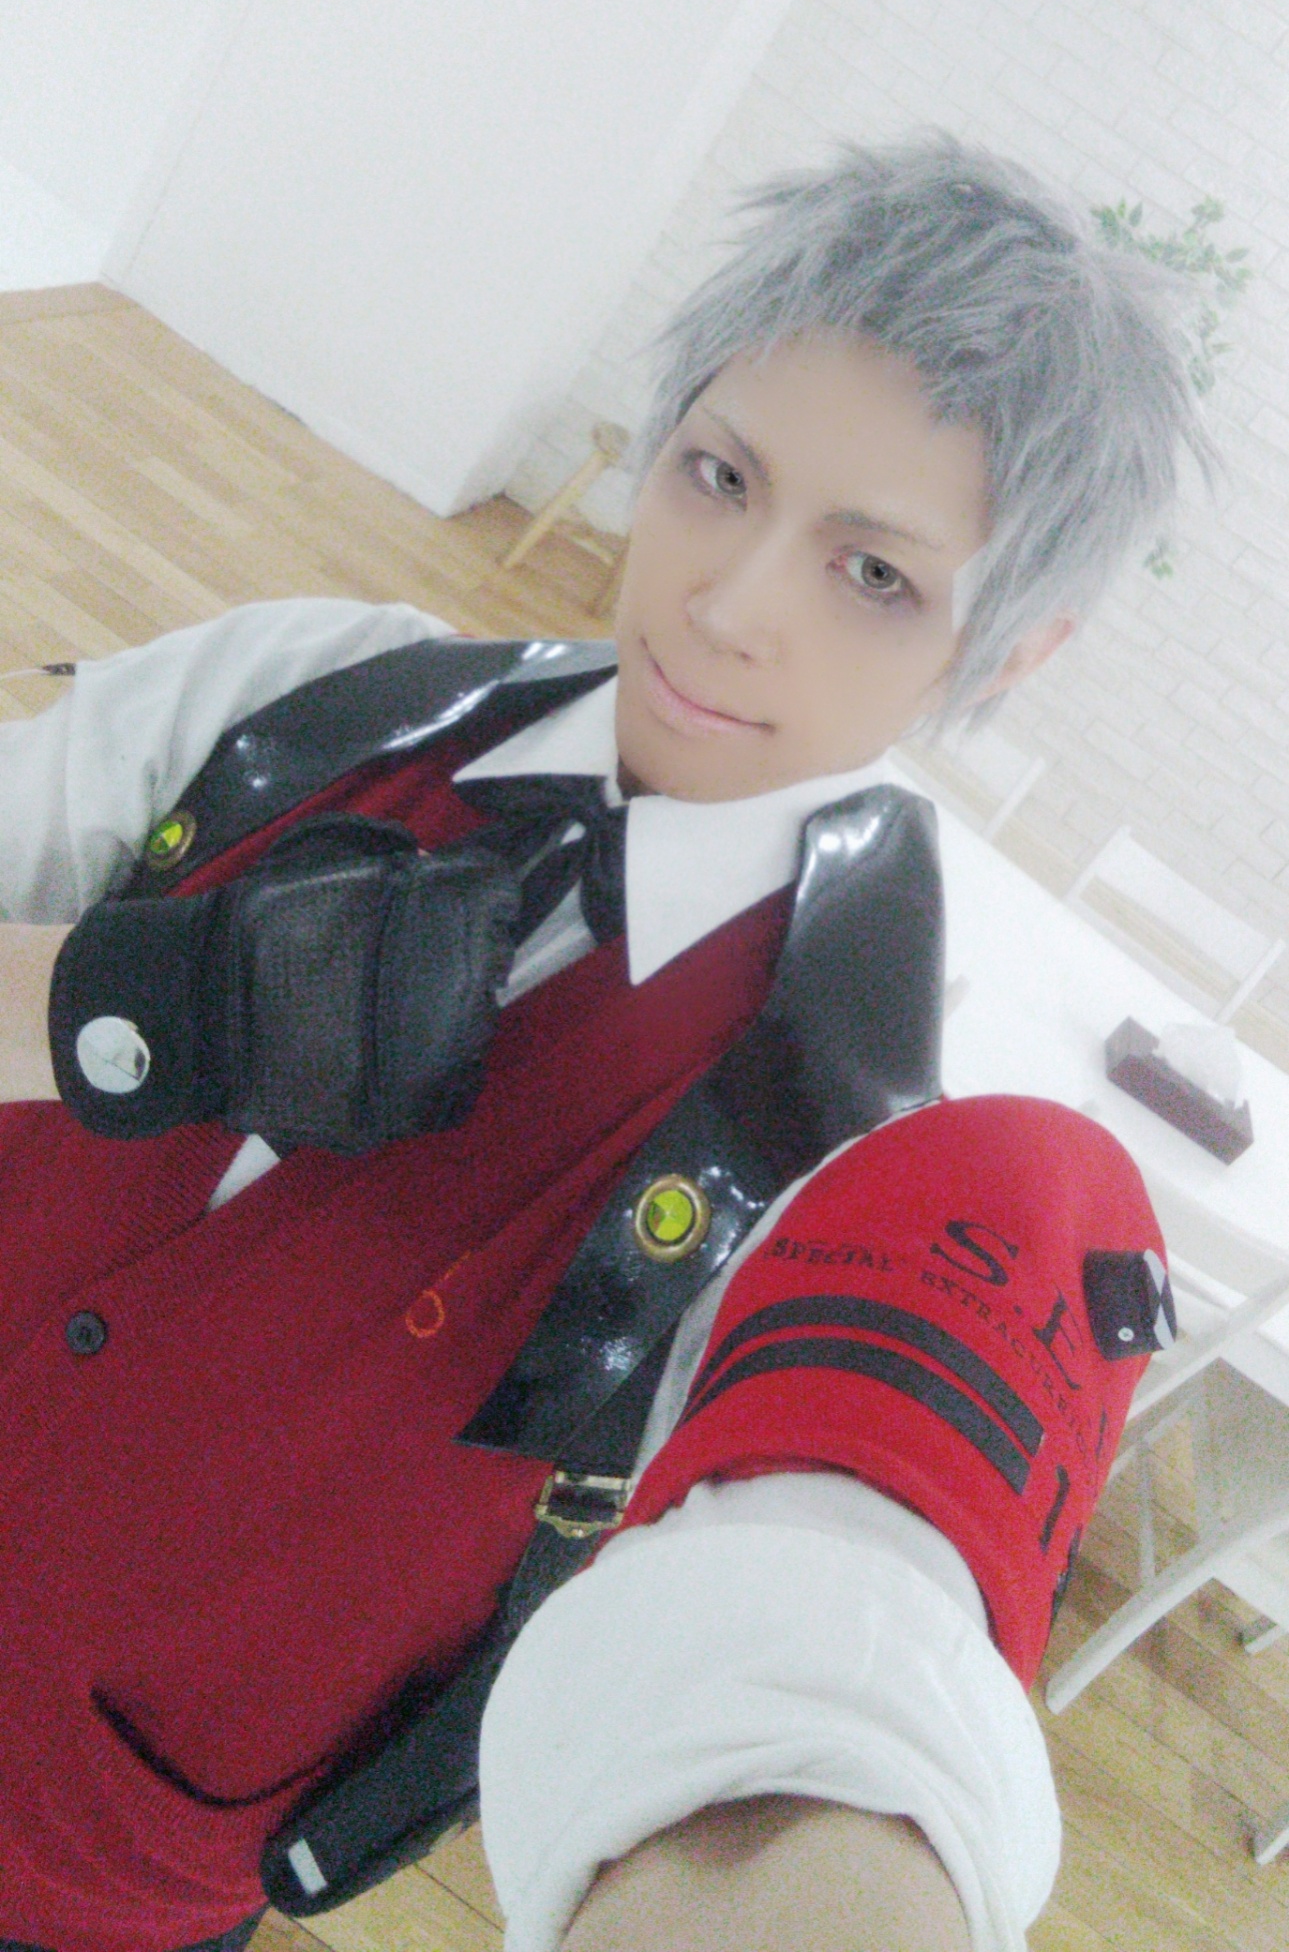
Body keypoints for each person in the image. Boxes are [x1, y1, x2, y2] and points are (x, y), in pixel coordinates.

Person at [0, 138, 1205, 1952]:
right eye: (720, 476)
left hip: (83, 1855)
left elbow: (797, 1663)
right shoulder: (306, 696)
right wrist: (136, 1009)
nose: (729, 601)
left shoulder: (828, 1148)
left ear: (1008, 649)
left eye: (872, 574)